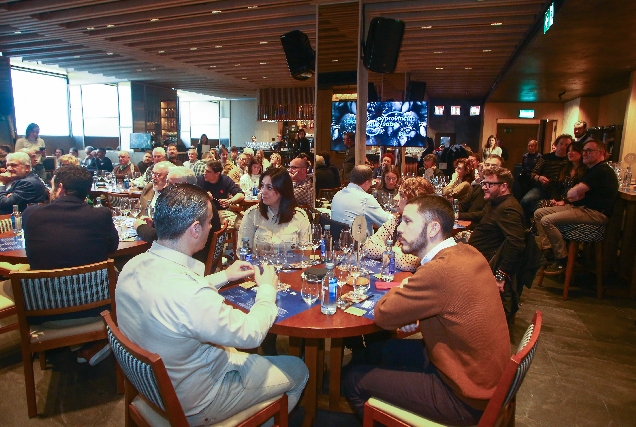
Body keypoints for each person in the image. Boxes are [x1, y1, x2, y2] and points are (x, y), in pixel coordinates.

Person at [116, 184, 308, 426]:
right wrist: (267, 289)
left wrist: (225, 276)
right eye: (209, 223)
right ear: (195, 229)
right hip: (199, 400)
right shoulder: (190, 295)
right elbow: (251, 334)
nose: (211, 228)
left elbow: (176, 293)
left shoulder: (131, 266)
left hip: (156, 385)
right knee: (298, 369)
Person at [344, 195, 510, 425]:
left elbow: (384, 313)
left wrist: (404, 288)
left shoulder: (439, 271)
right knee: (383, 348)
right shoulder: (469, 253)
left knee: (353, 379)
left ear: (433, 228)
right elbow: (450, 307)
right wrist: (418, 313)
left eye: (408, 222)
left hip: (465, 398)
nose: (399, 228)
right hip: (485, 378)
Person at [23, 165, 118, 365]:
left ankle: (78, 345)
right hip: (96, 308)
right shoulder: (101, 215)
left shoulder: (31, 215)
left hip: (43, 312)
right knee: (119, 273)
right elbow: (113, 247)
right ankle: (99, 342)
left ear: (60, 187)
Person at [535, 140, 618, 273]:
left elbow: (573, 193)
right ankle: (549, 250)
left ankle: (562, 259)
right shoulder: (591, 169)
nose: (585, 153)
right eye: (584, 151)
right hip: (582, 208)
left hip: (595, 213)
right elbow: (572, 194)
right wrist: (572, 196)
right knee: (539, 213)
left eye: (589, 151)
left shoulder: (601, 170)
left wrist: (572, 195)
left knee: (547, 220)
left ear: (601, 153)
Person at [468, 166, 526, 318]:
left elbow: (516, 244)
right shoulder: (497, 203)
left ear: (504, 186)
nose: (484, 188)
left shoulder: (509, 209)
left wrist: (500, 277)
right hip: (476, 260)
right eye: (483, 183)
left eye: (489, 184)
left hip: (482, 268)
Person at [363, 177, 435, 272]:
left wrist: (386, 253)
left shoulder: (426, 227)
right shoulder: (397, 220)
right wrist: (392, 251)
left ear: (413, 199)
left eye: (401, 195)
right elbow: (367, 246)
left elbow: (410, 263)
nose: (395, 198)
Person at [239, 167, 310, 249]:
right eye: (262, 186)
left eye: (269, 188)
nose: (263, 191)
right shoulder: (252, 215)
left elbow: (306, 252)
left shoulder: (300, 217)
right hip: (259, 262)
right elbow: (243, 251)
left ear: (283, 190)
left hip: (291, 262)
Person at [520, 133, 572, 220]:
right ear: (556, 144)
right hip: (543, 188)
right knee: (525, 201)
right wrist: (539, 178)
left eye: (566, 145)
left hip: (561, 191)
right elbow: (533, 173)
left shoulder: (569, 160)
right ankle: (526, 223)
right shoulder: (546, 157)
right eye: (561, 144)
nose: (563, 147)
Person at [331, 165, 392, 236]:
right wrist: (398, 215)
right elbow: (388, 222)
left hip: (338, 242)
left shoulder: (337, 194)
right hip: (359, 245)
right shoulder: (366, 199)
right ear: (367, 182)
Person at [196, 160, 245, 228]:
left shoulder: (225, 180)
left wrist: (229, 201)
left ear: (217, 174)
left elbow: (241, 194)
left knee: (242, 222)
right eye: (205, 170)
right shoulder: (199, 180)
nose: (204, 173)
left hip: (220, 211)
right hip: (203, 212)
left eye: (208, 171)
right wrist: (204, 196)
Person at [457, 155, 502, 223]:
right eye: (487, 165)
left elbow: (483, 214)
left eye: (494, 166)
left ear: (501, 169)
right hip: (467, 225)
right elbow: (463, 205)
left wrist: (457, 215)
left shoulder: (498, 189)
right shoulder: (478, 186)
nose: (489, 168)